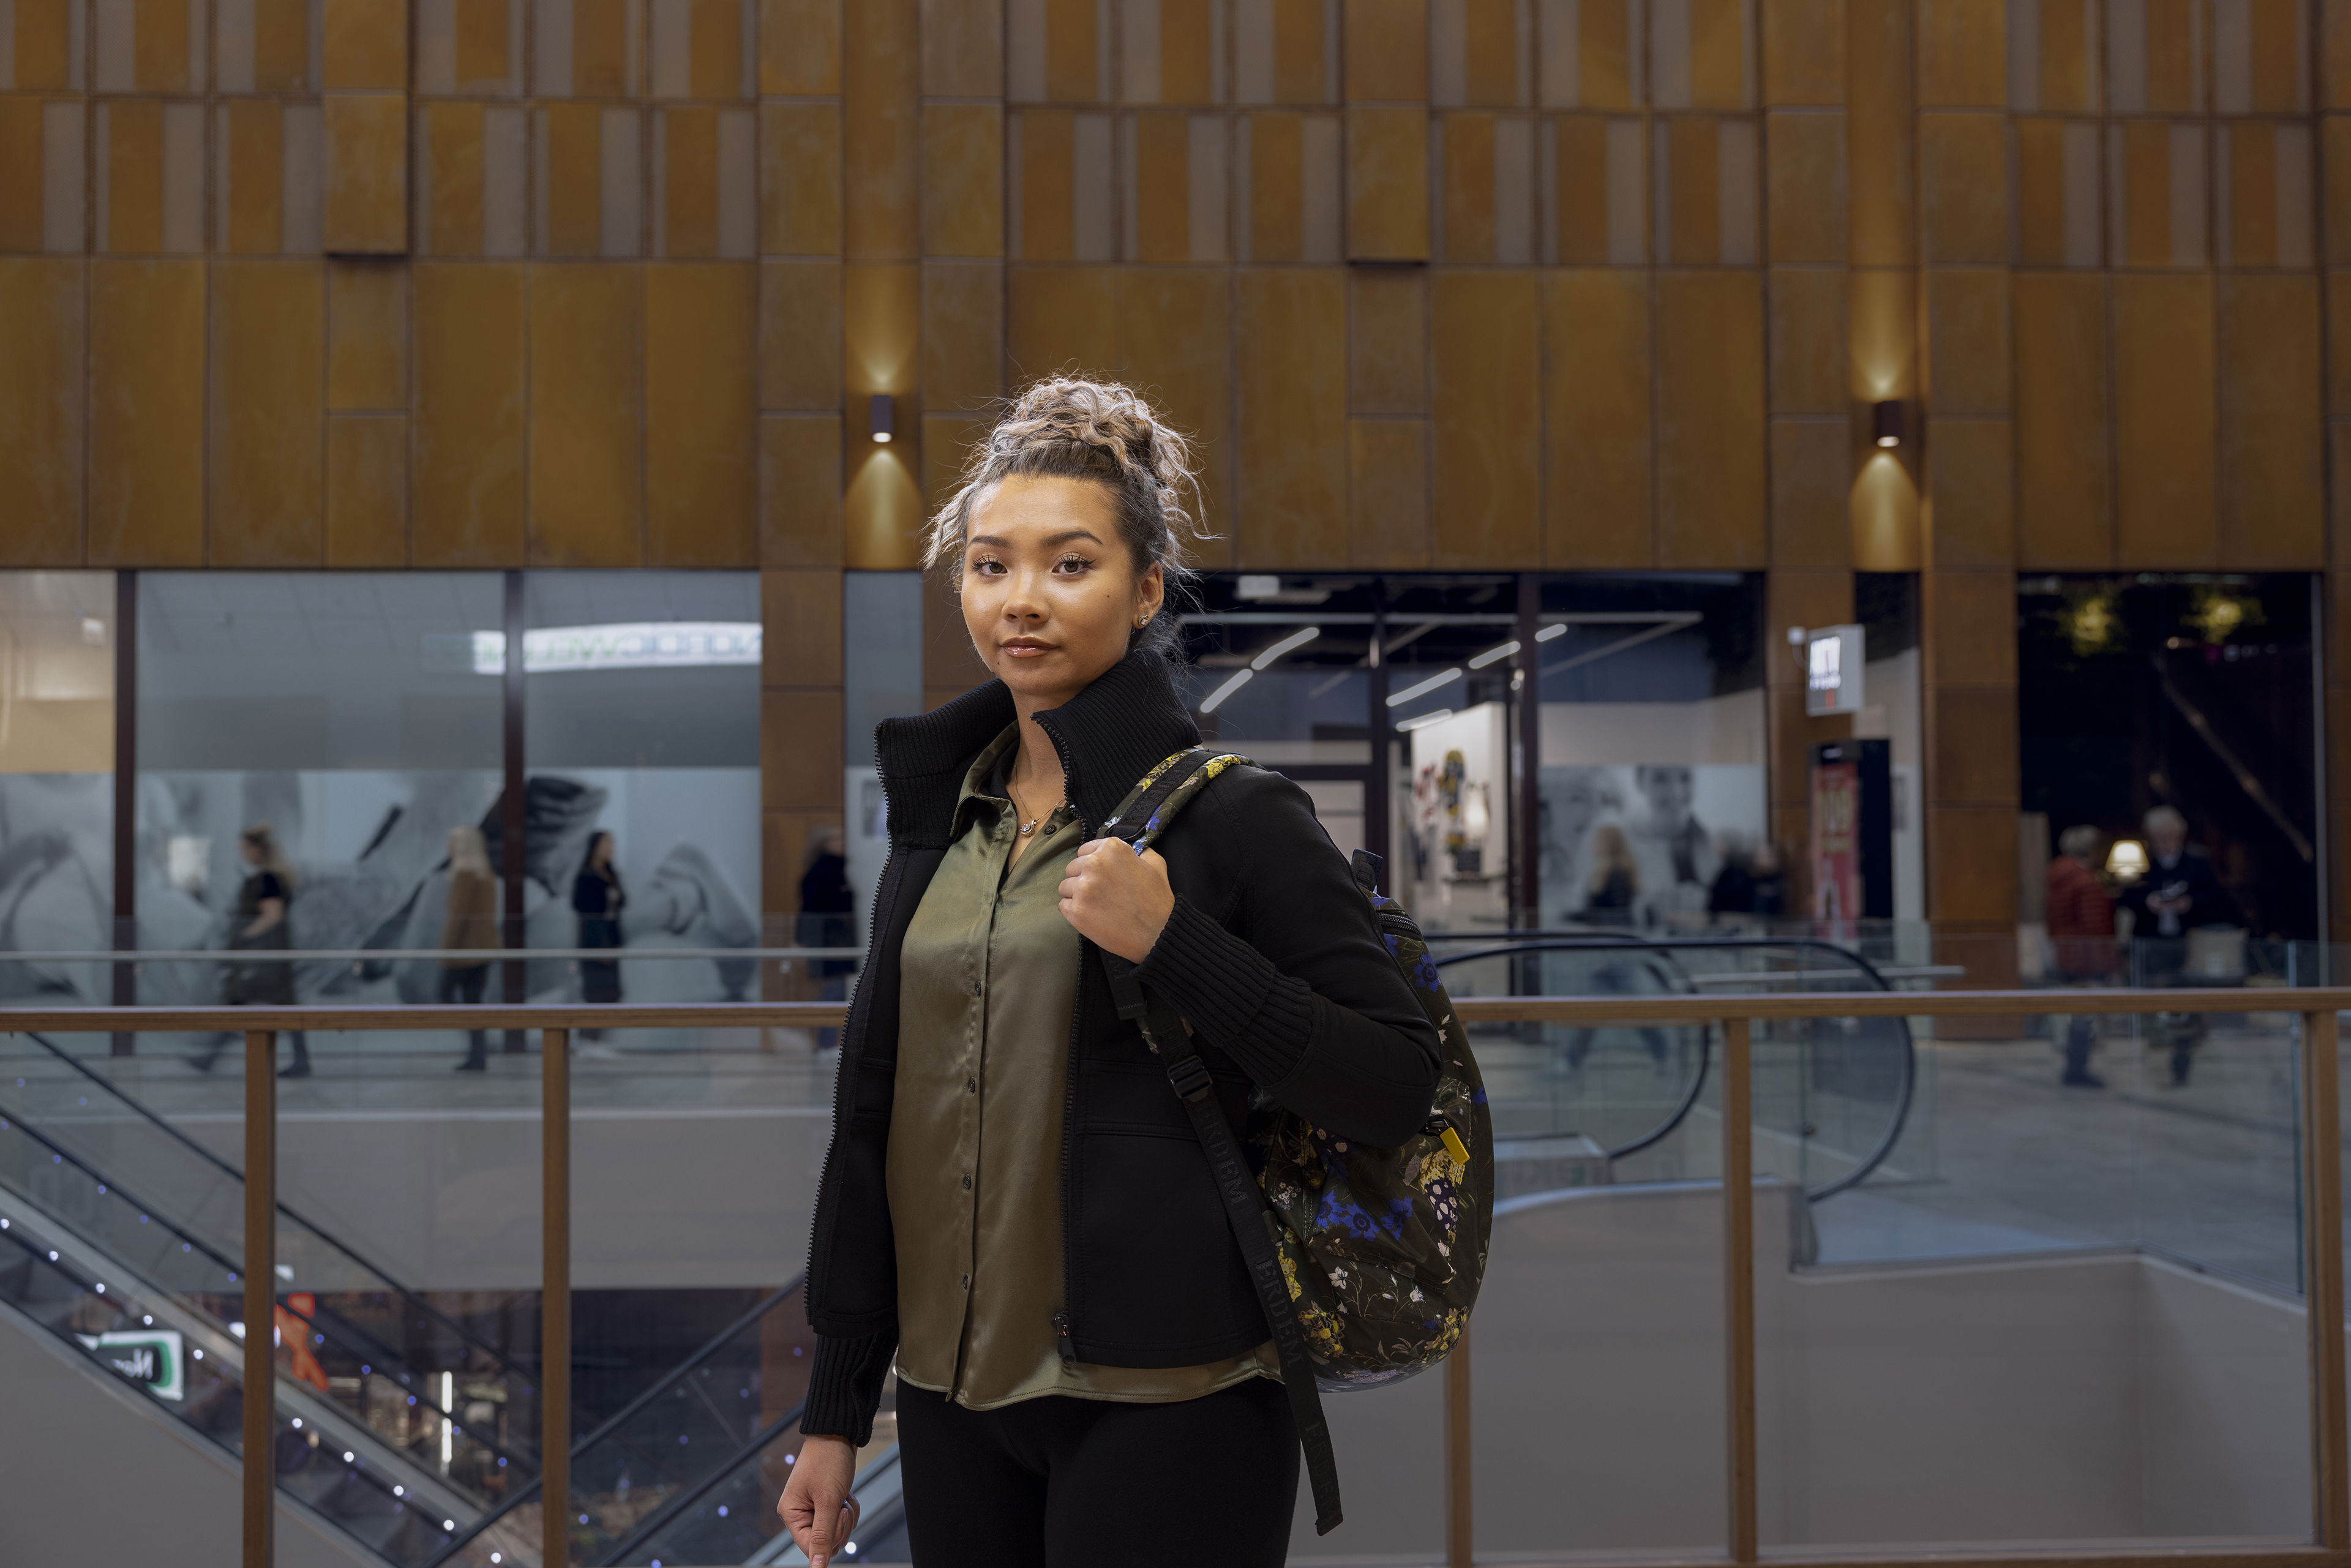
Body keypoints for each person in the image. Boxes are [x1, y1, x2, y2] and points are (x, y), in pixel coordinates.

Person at [778, 378, 1441, 1568]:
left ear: (1143, 592)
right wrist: (837, 1406)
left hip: (1172, 1393)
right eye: (990, 565)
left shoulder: (1237, 812)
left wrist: (1174, 942)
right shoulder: (945, 820)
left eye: (1068, 564)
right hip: (952, 1386)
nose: (1020, 600)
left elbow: (1395, 1081)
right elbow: (875, 1117)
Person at [2117, 805, 2242, 1087]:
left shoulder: (2197, 861)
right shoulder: (2142, 862)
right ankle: (2153, 1046)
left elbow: (2216, 896)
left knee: (2186, 999)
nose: (2166, 842)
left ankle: (2182, 1055)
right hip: (2151, 942)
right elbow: (2125, 896)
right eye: (2160, 837)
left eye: (2171, 836)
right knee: (2150, 995)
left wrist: (2190, 903)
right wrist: (2148, 903)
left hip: (2186, 942)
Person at [193, 825, 309, 1077]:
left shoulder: (267, 880)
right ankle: (209, 1057)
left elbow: (273, 915)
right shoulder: (269, 878)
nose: (243, 854)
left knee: (245, 1001)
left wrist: (245, 936)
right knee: (265, 1004)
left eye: (246, 848)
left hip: (262, 958)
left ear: (258, 849)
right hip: (267, 957)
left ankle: (209, 1057)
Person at [2045, 825, 2117, 1087]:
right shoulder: (2084, 881)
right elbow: (2095, 926)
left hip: (2066, 952)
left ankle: (2075, 1066)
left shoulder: (2058, 877)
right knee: (2085, 1014)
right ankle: (2077, 1069)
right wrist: (2107, 961)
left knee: (2077, 1013)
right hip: (2086, 957)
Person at [441, 825, 500, 1071]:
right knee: (473, 1000)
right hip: (482, 949)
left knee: (448, 994)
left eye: (454, 843)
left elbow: (458, 916)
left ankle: (477, 1050)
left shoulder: (465, 874)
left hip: (465, 950)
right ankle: (478, 1052)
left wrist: (444, 951)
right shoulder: (485, 873)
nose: (450, 848)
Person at [798, 827, 855, 1051]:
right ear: (823, 843)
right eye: (836, 838)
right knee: (833, 992)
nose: (842, 842)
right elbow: (809, 909)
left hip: (838, 942)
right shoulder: (822, 871)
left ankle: (826, 1042)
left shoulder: (839, 869)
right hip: (828, 943)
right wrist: (803, 943)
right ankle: (825, 1043)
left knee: (836, 991)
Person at [572, 831, 624, 1040]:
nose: (611, 848)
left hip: (612, 940)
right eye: (606, 843)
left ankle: (596, 1038)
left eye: (612, 843)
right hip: (593, 941)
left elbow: (617, 909)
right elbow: (587, 912)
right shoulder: (587, 876)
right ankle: (588, 1039)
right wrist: (600, 946)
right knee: (596, 992)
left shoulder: (611, 875)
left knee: (612, 992)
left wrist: (617, 942)